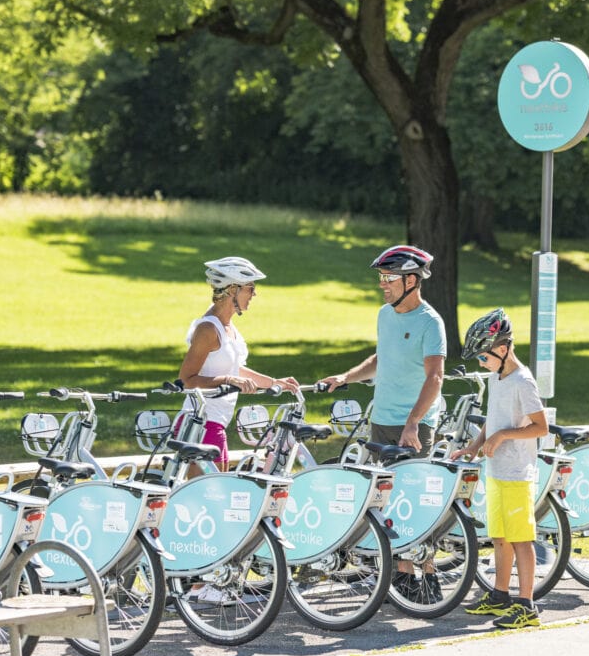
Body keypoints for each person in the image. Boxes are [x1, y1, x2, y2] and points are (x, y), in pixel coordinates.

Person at [319, 244, 447, 601]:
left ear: (411, 280)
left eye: (388, 278)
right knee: (388, 502)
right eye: (381, 278)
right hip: (383, 421)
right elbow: (381, 358)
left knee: (415, 500)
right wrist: (346, 376)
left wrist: (413, 423)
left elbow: (435, 377)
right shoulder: (385, 315)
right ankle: (402, 577)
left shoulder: (430, 322)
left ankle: (427, 577)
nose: (382, 285)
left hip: (414, 425)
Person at [450, 308, 548, 629]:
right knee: (501, 537)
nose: (481, 362)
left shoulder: (523, 381)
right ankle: (501, 595)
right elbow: (493, 423)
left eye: (483, 356)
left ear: (502, 350)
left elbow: (541, 427)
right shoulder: (497, 378)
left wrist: (505, 435)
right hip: (496, 472)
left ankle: (527, 605)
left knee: (521, 539)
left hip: (518, 475)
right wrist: (474, 446)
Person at [178, 257, 298, 472]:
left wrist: (273, 382)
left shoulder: (228, 327)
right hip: (200, 423)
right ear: (232, 290)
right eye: (250, 288)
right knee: (206, 498)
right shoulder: (208, 329)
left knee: (216, 496)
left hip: (216, 424)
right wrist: (229, 380)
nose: (254, 294)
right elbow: (187, 380)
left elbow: (236, 369)